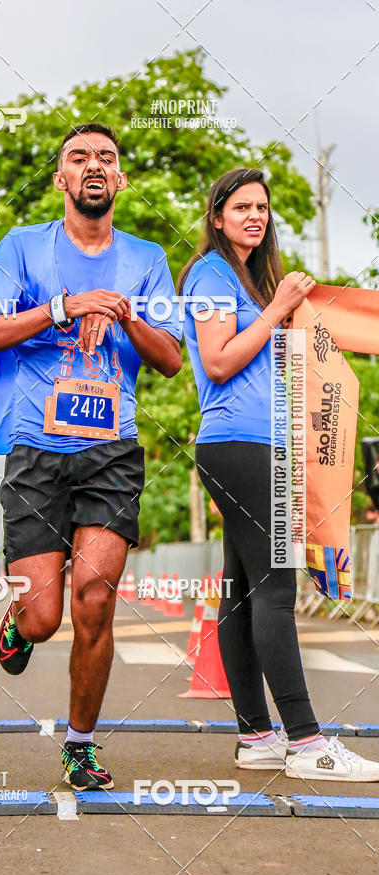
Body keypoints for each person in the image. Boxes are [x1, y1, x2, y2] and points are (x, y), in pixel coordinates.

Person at [0, 123, 182, 790]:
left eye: (106, 159)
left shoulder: (145, 259)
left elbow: (171, 359)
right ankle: (22, 622)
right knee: (47, 613)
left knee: (93, 600)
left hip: (110, 449)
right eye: (78, 157)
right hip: (35, 450)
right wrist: (62, 306)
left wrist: (123, 314)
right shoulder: (23, 248)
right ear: (61, 179)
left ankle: (80, 743)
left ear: (119, 181)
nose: (93, 166)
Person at [179, 168, 379, 782]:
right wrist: (281, 309)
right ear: (217, 216)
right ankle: (306, 742)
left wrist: (284, 311)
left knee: (241, 594)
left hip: (252, 444)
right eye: (241, 207)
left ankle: (257, 736)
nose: (254, 216)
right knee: (275, 591)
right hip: (241, 445)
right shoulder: (211, 275)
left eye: (262, 207)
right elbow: (216, 363)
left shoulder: (246, 280)